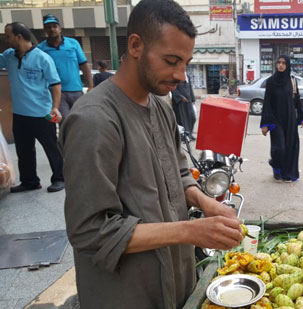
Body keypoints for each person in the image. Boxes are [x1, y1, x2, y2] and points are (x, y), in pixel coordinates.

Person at [58, 0, 243, 307]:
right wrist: (190, 230)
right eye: (171, 61)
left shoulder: (161, 106)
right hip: (128, 292)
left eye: (186, 62)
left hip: (177, 279)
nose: (182, 75)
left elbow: (180, 173)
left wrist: (205, 202)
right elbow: (90, 231)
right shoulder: (95, 120)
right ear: (135, 45)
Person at [0, 22, 65, 193]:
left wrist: (55, 108)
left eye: (8, 36)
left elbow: (56, 84)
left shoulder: (42, 58)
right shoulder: (9, 56)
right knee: (24, 151)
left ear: (19, 37)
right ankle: (30, 181)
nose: (6, 40)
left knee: (52, 148)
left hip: (42, 114)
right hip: (20, 115)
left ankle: (60, 178)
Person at [260, 55, 303, 183]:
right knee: (279, 147)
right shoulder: (271, 82)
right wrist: (265, 124)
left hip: (290, 120)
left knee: (290, 147)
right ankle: (276, 170)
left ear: (287, 66)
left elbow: (296, 99)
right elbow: (267, 103)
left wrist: (302, 117)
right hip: (276, 121)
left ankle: (287, 173)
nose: (281, 65)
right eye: (279, 62)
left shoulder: (292, 81)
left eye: (284, 63)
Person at [37, 14, 93, 121]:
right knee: (66, 120)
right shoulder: (41, 49)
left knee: (81, 120)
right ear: (45, 30)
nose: (52, 29)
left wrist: (91, 86)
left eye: (54, 26)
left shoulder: (73, 43)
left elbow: (84, 65)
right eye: (48, 27)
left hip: (76, 90)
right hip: (56, 93)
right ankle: (66, 138)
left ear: (60, 28)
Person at [171, 71, 196, 140]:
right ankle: (185, 135)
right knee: (182, 120)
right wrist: (181, 97)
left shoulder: (187, 76)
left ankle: (190, 133)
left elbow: (190, 88)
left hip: (189, 101)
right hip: (180, 103)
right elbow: (173, 89)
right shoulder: (175, 76)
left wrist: (193, 98)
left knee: (192, 117)